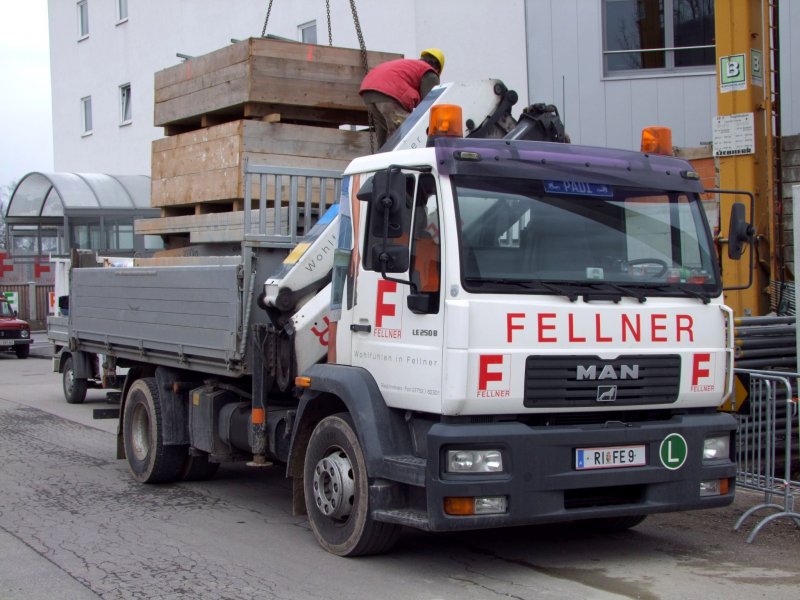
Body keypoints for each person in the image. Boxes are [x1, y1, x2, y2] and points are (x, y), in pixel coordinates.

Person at [359, 48, 445, 148]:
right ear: (437, 70)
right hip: (389, 93)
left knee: (385, 131)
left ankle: (382, 153)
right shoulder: (429, 73)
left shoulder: (410, 66)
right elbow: (429, 105)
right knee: (408, 131)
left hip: (368, 91)